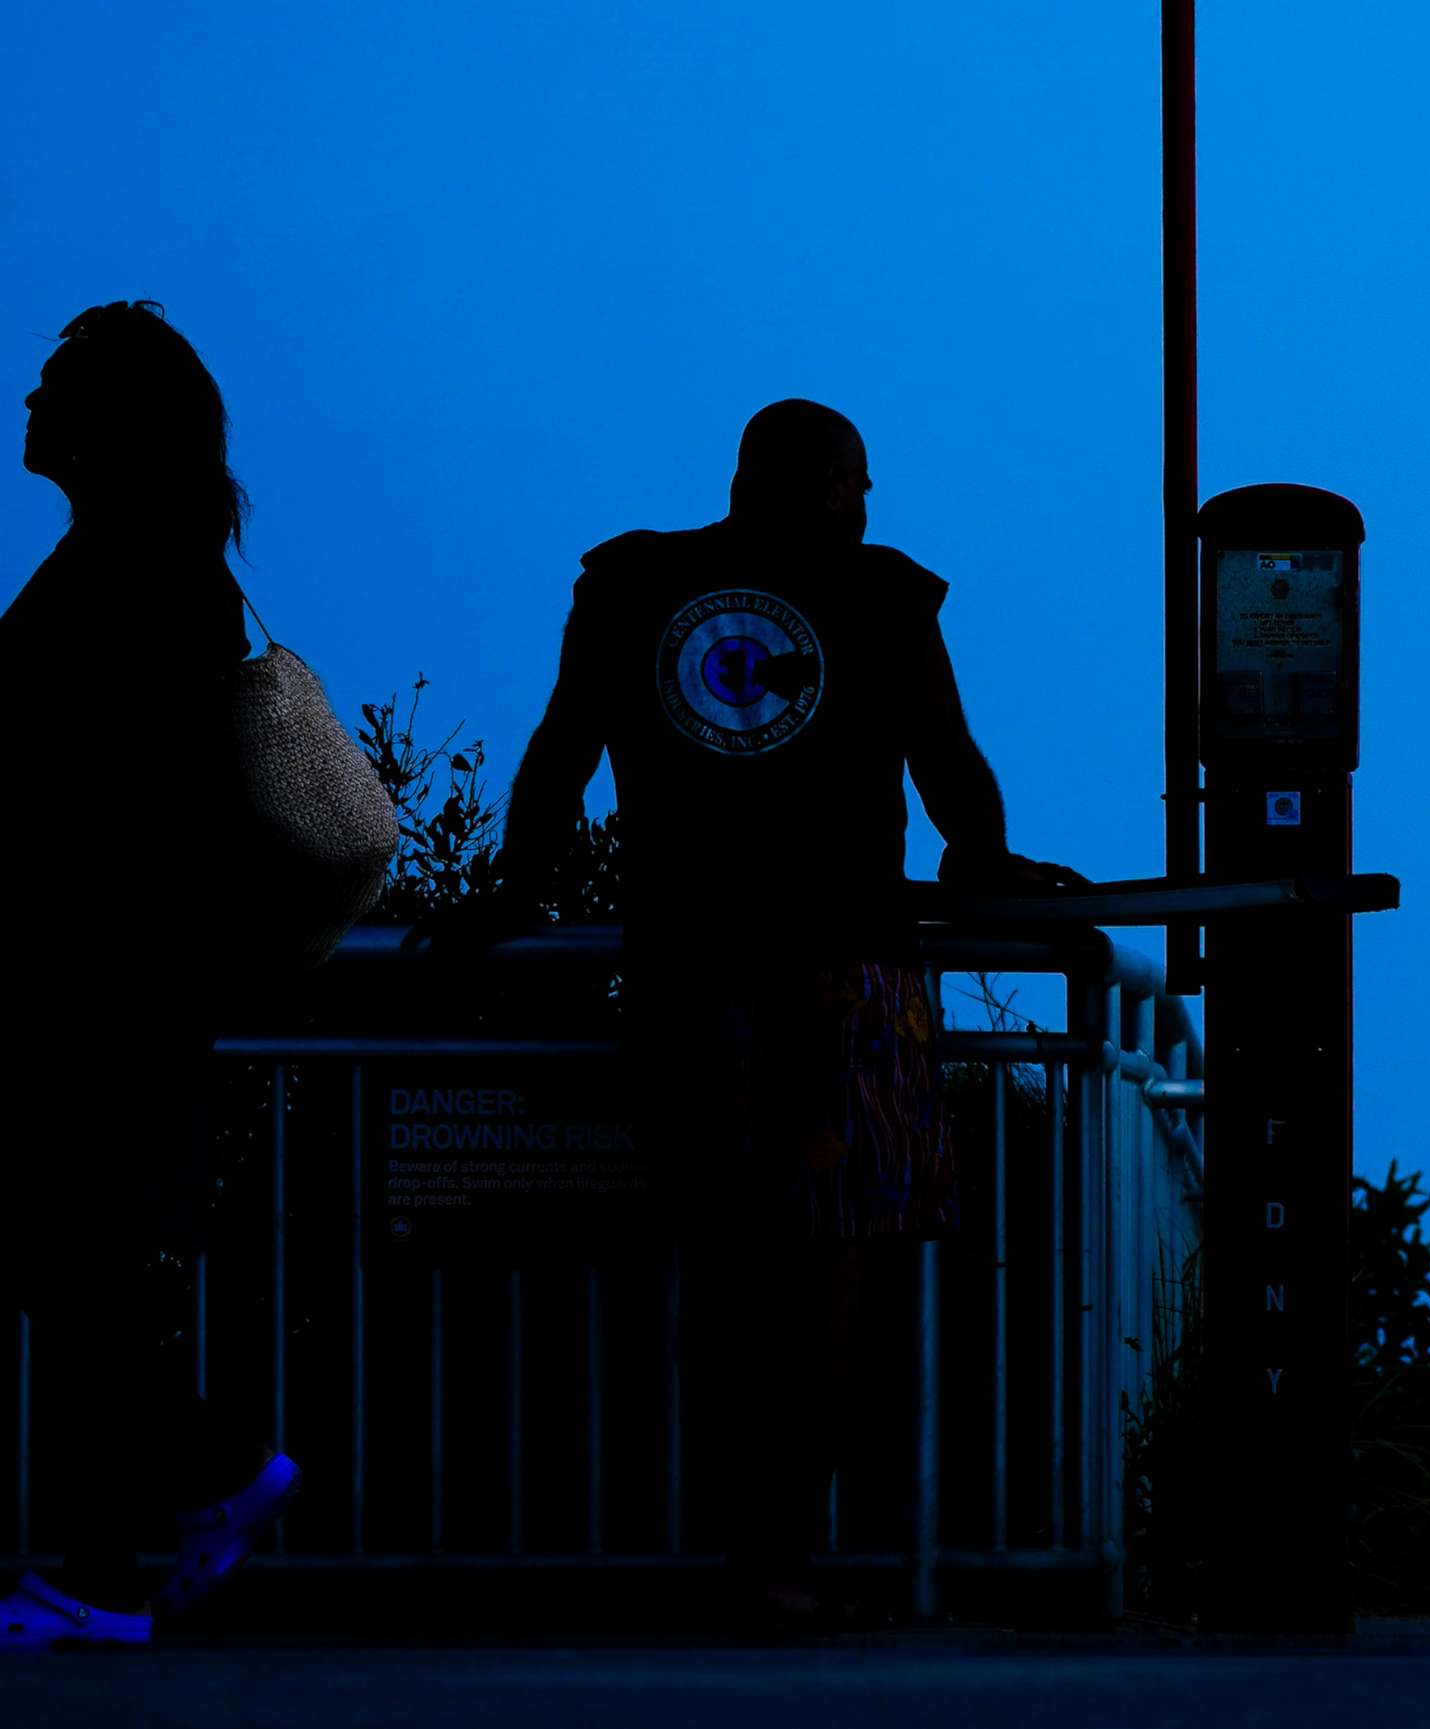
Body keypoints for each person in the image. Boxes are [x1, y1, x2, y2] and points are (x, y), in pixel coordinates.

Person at [437, 398, 1081, 1627]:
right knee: (829, 1260)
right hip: (851, 966)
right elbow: (950, 763)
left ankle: (738, 1544)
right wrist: (987, 862)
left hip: (691, 965)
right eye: (856, 483)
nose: (867, 505)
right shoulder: (885, 597)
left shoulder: (631, 583)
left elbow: (560, 752)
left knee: (720, 1259)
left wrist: (512, 890)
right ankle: (785, 1555)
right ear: (817, 484)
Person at [1, 303, 299, 1650]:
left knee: (75, 1275)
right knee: (78, 1278)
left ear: (111, 423)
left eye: (55, 385)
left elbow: (100, 791)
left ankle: (136, 1541)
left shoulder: (135, 575)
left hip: (102, 992)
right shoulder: (151, 566)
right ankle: (126, 1545)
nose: (28, 401)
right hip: (114, 987)